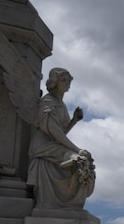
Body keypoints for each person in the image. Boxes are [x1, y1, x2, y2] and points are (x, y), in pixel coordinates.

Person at [26, 67, 96, 210]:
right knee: (79, 159)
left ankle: (69, 202)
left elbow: (60, 133)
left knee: (82, 160)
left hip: (53, 145)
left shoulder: (60, 104)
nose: (67, 83)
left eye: (69, 81)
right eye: (64, 80)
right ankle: (63, 202)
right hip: (42, 146)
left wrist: (74, 121)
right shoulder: (47, 102)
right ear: (54, 82)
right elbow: (52, 130)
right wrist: (77, 149)